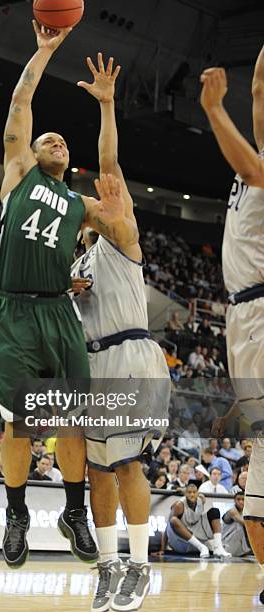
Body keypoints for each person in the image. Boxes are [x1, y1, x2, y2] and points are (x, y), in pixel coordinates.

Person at [0, 24, 134, 570]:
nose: (56, 141)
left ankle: (74, 513)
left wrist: (108, 108)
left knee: (70, 422)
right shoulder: (18, 174)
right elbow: (22, 100)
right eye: (48, 138)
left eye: (62, 142)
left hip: (57, 311)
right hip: (14, 311)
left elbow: (110, 167)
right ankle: (16, 513)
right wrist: (45, 51)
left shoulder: (77, 204)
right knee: (21, 422)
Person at [71, 53, 171, 612]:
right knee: (96, 470)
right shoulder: (74, 266)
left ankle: (140, 566)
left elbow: (109, 163)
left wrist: (108, 105)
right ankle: (108, 567)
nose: (97, 199)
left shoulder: (120, 234)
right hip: (91, 365)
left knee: (128, 463)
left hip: (131, 353)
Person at [201, 47, 264, 602]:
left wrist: (215, 110)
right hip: (242, 314)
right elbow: (261, 91)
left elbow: (249, 164)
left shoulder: (258, 169)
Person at [156, 484, 230, 559]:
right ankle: (201, 547)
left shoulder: (201, 499)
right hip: (179, 540)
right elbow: (168, 526)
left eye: (194, 492)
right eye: (189, 492)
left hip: (194, 532)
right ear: (185, 494)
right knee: (173, 520)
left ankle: (218, 548)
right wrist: (163, 549)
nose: (192, 494)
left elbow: (198, 495)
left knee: (214, 511)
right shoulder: (179, 505)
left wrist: (184, 490)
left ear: (197, 493)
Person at [222, 492, 252, 557]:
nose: (241, 502)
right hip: (227, 545)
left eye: (243, 499)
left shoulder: (246, 511)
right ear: (234, 500)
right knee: (242, 526)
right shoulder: (232, 511)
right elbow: (245, 524)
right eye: (238, 499)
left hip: (239, 547)